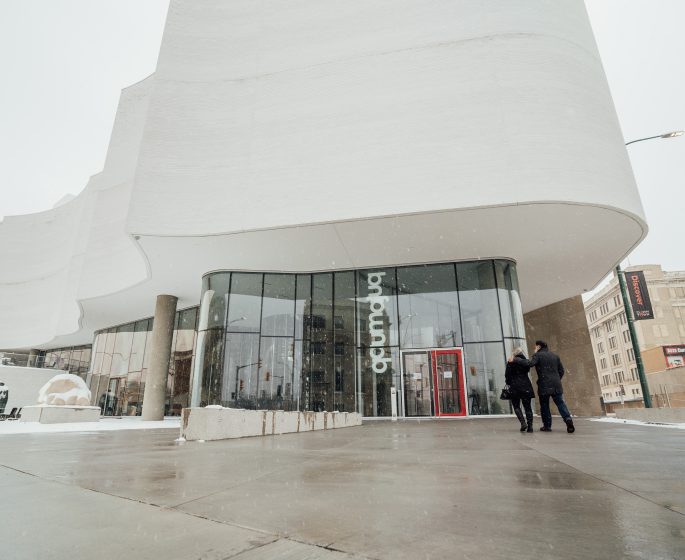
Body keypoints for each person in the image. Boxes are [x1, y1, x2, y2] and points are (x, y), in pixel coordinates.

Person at [509, 340, 575, 433]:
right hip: (556, 385)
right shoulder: (555, 356)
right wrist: (556, 379)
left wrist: (516, 359)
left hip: (544, 385)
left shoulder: (538, 355)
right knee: (560, 403)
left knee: (544, 405)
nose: (534, 348)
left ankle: (547, 426)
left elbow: (530, 364)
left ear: (539, 347)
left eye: (535, 347)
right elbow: (562, 371)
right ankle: (568, 419)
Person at [505, 348, 535, 432]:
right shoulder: (525, 362)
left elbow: (507, 375)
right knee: (527, 407)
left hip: (514, 386)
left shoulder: (511, 362)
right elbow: (527, 370)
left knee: (516, 406)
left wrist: (508, 382)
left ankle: (523, 423)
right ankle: (530, 426)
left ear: (514, 354)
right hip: (525, 385)